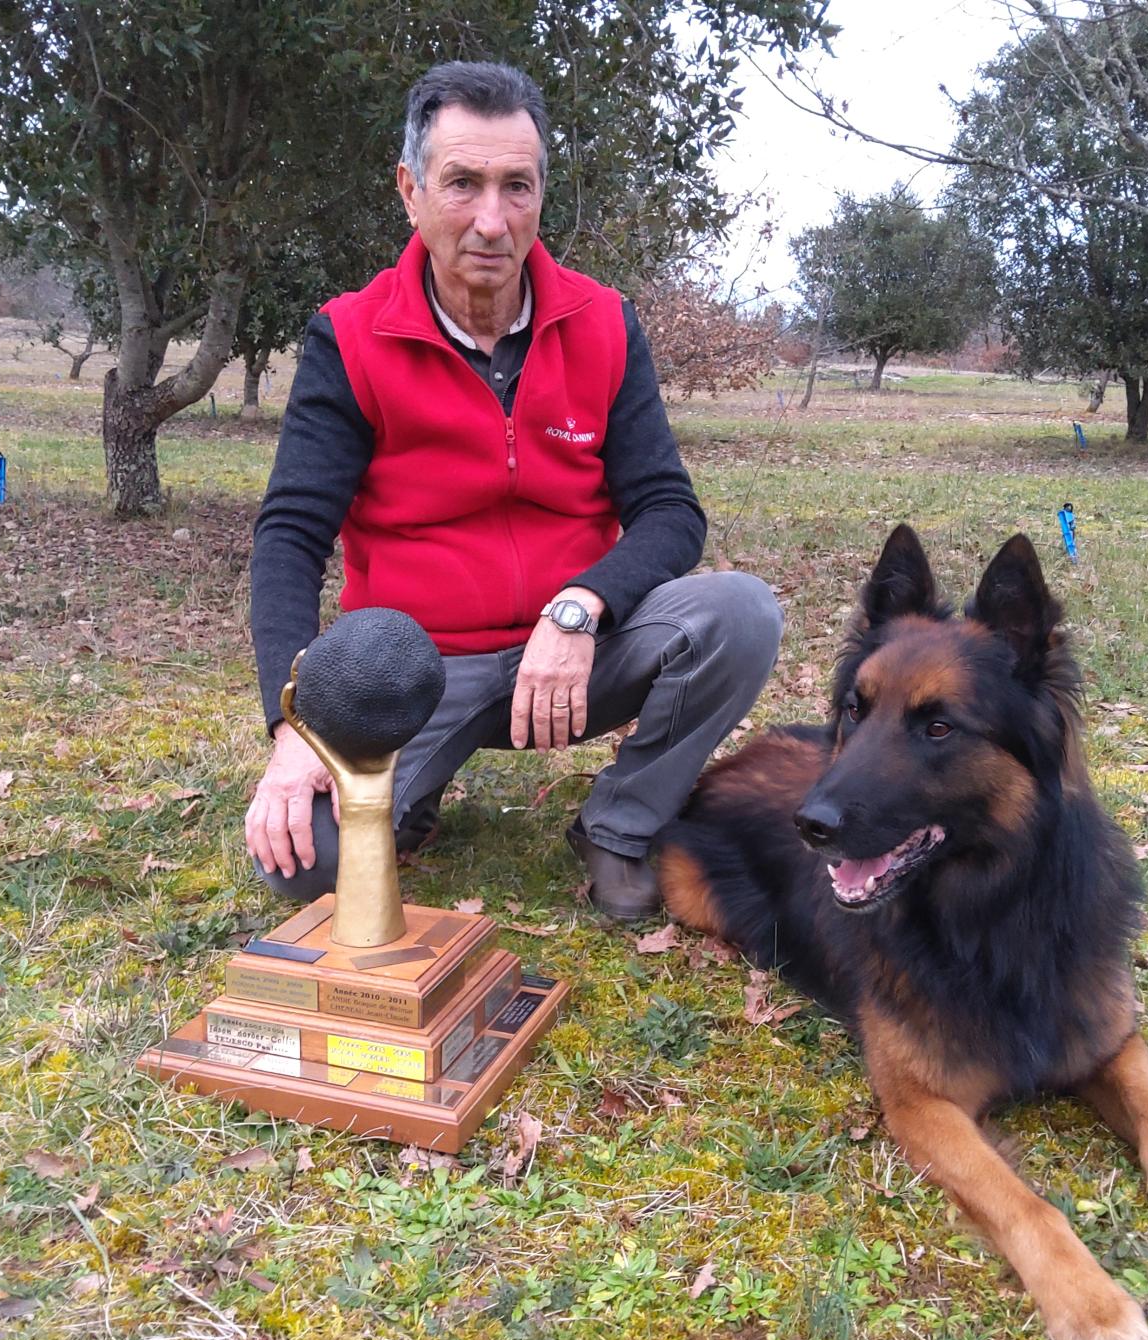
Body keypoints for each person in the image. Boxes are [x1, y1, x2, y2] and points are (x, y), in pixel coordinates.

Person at [244, 60, 782, 919]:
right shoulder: (350, 337)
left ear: (539, 196)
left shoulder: (604, 322)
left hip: (580, 657)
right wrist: (295, 729)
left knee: (742, 613)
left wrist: (581, 607)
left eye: (516, 186)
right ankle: (399, 801)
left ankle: (621, 825)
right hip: (414, 672)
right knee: (306, 866)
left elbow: (669, 511)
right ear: (410, 191)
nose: (491, 220)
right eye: (463, 183)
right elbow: (290, 537)